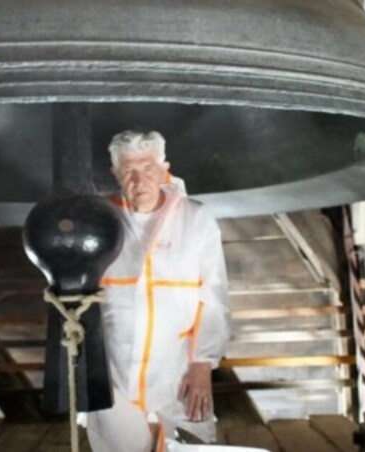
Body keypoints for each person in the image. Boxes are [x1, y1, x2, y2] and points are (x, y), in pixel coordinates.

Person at [86, 130, 230, 452]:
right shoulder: (103, 222)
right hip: (114, 370)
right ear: (115, 174)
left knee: (184, 445)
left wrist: (202, 364)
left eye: (147, 168)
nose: (139, 180)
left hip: (176, 368)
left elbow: (214, 296)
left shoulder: (196, 219)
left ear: (164, 167)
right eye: (128, 171)